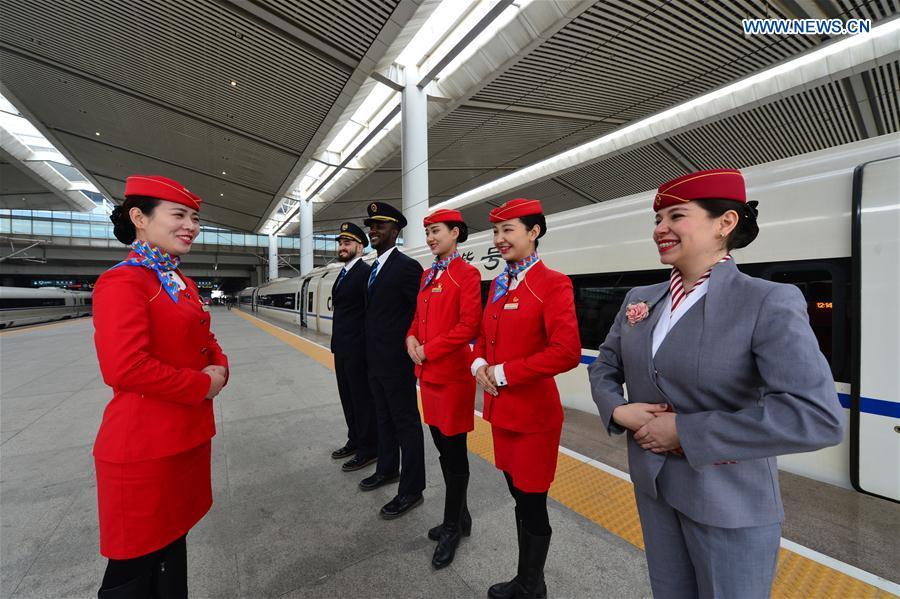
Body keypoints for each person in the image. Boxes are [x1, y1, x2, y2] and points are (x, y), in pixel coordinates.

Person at [588, 169, 844, 599]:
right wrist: (616, 408)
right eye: (657, 219)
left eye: (676, 216)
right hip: (654, 490)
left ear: (725, 223)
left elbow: (816, 417)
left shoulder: (765, 301)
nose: (660, 230)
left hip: (728, 502)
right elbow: (604, 367)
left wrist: (684, 432)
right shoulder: (640, 299)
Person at [92, 175, 229, 598]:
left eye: (194, 217)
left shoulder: (179, 282)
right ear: (139, 218)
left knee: (171, 554)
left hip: (183, 441)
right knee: (134, 570)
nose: (191, 224)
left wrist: (220, 367)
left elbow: (206, 341)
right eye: (179, 215)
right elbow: (125, 368)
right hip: (144, 450)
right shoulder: (124, 282)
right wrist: (202, 385)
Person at [471, 198, 581, 599]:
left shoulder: (552, 283)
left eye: (508, 230)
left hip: (534, 418)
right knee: (518, 497)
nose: (499, 239)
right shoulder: (500, 284)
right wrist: (479, 363)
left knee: (532, 504)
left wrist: (502, 372)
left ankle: (531, 586)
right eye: (496, 232)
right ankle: (527, 580)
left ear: (534, 232)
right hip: (502, 413)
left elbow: (567, 350)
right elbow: (483, 336)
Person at [405, 209, 482, 568]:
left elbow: (468, 326)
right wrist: (410, 339)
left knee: (454, 454)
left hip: (452, 379)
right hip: (429, 378)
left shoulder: (467, 274)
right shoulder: (427, 275)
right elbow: (418, 320)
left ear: (456, 232)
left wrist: (428, 350)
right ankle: (461, 517)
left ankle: (452, 526)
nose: (431, 238)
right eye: (428, 232)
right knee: (441, 449)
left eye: (436, 231)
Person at [359, 201, 426, 519]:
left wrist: (412, 350)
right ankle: (388, 469)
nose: (373, 230)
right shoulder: (375, 267)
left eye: (380, 225)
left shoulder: (407, 267)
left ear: (395, 231)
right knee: (383, 417)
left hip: (398, 362)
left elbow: (418, 316)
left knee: (406, 424)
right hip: (375, 360)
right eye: (371, 226)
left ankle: (412, 489)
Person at [329, 222, 377, 472]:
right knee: (347, 397)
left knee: (361, 400)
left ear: (360, 246)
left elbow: (370, 313)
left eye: (347, 243)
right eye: (340, 243)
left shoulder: (365, 273)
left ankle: (369, 448)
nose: (342, 247)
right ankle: (355, 439)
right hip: (342, 348)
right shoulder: (344, 272)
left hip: (358, 349)